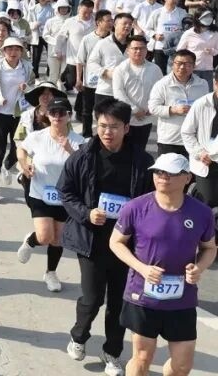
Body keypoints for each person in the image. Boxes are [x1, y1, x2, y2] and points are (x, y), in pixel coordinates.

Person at [58, 99, 155, 376]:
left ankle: (112, 352)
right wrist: (86, 213)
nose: (107, 132)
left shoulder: (142, 161)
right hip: (91, 240)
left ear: (126, 128)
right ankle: (78, 336)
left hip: (126, 246)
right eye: (102, 126)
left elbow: (151, 201)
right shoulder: (82, 156)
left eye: (113, 126)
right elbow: (65, 192)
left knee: (119, 303)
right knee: (92, 298)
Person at [109, 153, 216, 376]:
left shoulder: (202, 213)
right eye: (158, 172)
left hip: (182, 299)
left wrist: (199, 268)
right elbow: (116, 242)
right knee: (142, 357)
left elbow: (210, 248)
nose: (162, 177)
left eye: (170, 173)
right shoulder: (135, 207)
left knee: (182, 365)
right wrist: (142, 268)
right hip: (143, 295)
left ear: (187, 177)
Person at [17, 97, 85, 292]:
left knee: (58, 239)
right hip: (40, 193)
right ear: (47, 115)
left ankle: (51, 272)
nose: (57, 116)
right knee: (45, 236)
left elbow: (85, 167)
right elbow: (21, 150)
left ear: (69, 116)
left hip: (65, 197)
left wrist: (70, 150)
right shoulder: (38, 137)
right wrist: (24, 164)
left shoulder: (79, 141)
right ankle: (31, 240)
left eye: (62, 113)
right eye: (53, 112)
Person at [0, 36, 33, 202]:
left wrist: (27, 87)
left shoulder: (26, 67)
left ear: (21, 52)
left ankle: (7, 166)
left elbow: (33, 87)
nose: (13, 52)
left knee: (19, 148)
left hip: (18, 114)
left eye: (17, 49)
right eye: (9, 49)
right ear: (4, 51)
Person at [112, 35, 163, 153]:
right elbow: (118, 93)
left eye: (142, 48)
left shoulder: (155, 69)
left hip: (146, 117)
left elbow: (161, 91)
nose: (138, 51)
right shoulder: (121, 69)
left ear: (146, 50)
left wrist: (152, 107)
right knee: (123, 150)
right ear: (128, 50)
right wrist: (134, 110)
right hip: (126, 118)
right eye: (135, 48)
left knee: (140, 150)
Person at [179, 70, 218, 210]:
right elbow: (187, 132)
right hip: (206, 163)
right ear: (215, 83)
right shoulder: (201, 104)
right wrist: (199, 153)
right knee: (207, 204)